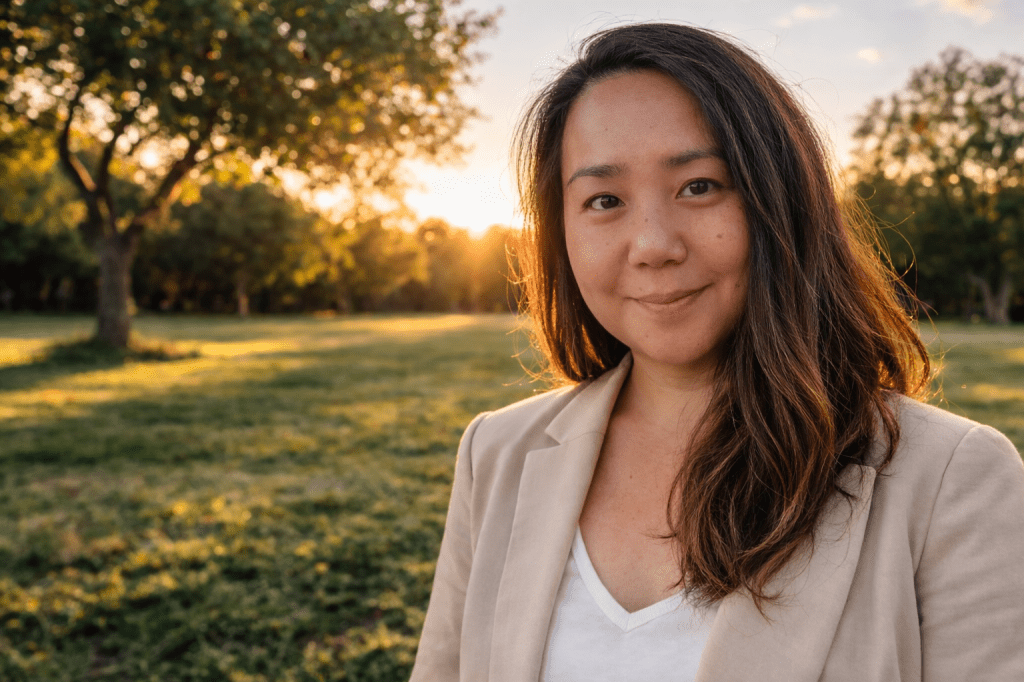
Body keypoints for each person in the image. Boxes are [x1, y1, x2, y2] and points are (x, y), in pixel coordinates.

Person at [409, 23, 1024, 682]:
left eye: (699, 185)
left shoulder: (953, 479)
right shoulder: (497, 453)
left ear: (780, 199)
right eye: (604, 200)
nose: (653, 244)